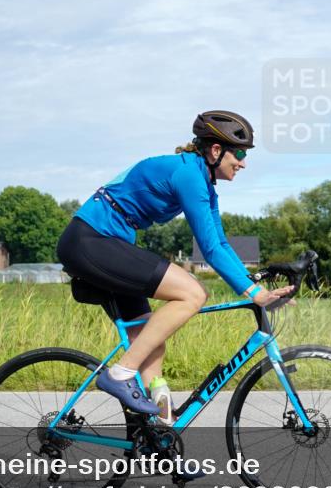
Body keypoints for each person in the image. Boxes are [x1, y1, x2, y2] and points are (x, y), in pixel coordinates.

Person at [56, 111, 294, 419]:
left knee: (149, 337)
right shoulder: (189, 175)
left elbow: (220, 243)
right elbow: (208, 250)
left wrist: (254, 283)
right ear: (215, 150)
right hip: (91, 240)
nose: (243, 162)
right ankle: (120, 375)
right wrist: (254, 293)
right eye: (239, 153)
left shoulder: (204, 183)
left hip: (109, 243)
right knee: (192, 294)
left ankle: (160, 435)